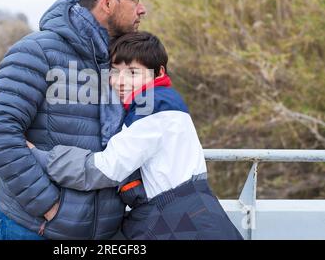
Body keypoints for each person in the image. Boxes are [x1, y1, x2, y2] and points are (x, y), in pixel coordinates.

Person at [0, 0, 147, 240]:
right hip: (35, 230)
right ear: (107, 1)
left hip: (104, 232)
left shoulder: (121, 62)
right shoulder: (36, 52)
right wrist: (50, 206)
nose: (142, 9)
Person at [29, 32, 244, 240]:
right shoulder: (164, 100)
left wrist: (42, 157)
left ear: (159, 73)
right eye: (115, 71)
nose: (120, 81)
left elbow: (106, 168)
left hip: (182, 223)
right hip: (192, 217)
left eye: (133, 72)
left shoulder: (152, 106)